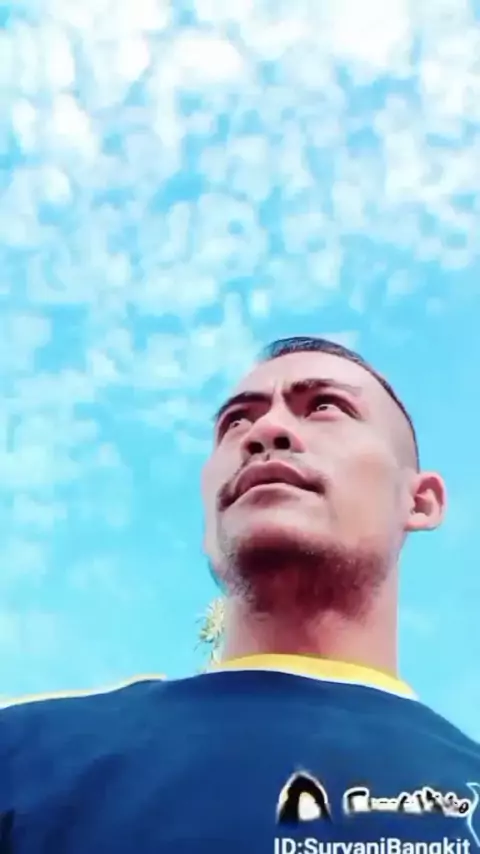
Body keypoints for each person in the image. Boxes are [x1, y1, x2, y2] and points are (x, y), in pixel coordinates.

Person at [1, 336, 479, 854]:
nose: (264, 431)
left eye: (325, 406)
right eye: (235, 422)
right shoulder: (22, 754)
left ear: (420, 501)